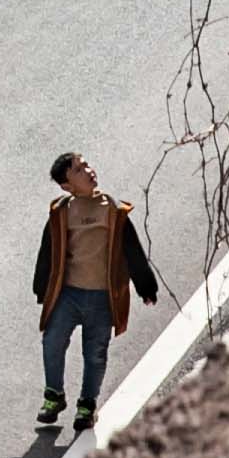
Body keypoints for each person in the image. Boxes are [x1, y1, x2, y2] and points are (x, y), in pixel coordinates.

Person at [31, 151, 161, 433]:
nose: (88, 171)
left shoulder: (113, 211)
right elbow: (48, 251)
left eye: (86, 165)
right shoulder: (61, 212)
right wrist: (41, 287)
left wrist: (146, 286)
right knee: (52, 341)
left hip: (102, 297)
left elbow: (132, 251)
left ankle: (87, 406)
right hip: (67, 295)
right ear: (67, 186)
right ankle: (54, 395)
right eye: (78, 170)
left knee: (95, 353)